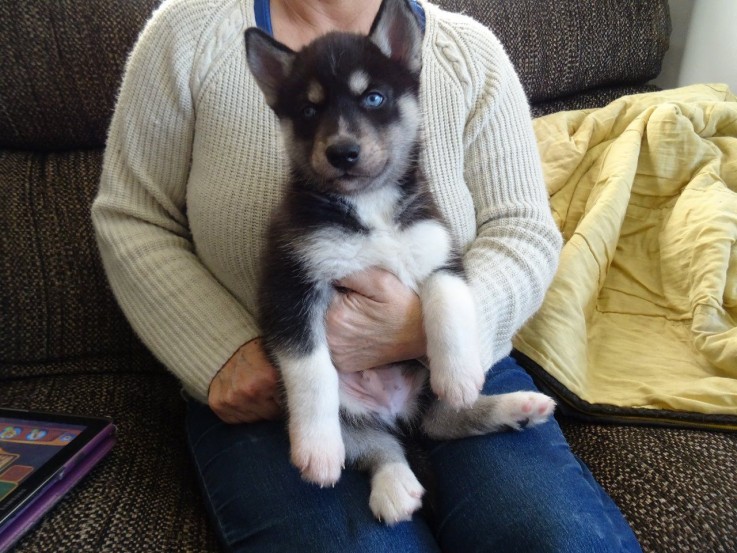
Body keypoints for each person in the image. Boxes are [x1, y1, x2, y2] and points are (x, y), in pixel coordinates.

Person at [92, 0, 642, 551]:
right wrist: (220, 352)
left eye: (373, 100)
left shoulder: (470, 52)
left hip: (461, 361)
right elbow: (130, 217)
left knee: (561, 540)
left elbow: (524, 229)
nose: (342, 138)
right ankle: (384, 460)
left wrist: (431, 330)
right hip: (267, 385)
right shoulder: (188, 34)